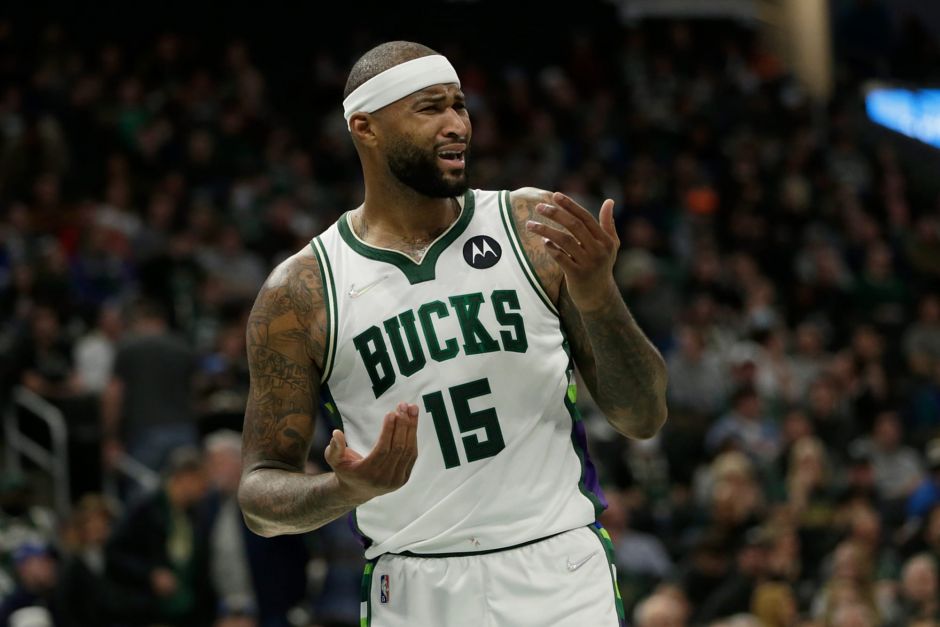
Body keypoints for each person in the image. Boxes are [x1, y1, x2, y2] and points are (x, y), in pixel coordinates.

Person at [237, 40, 668, 627]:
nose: (457, 125)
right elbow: (259, 497)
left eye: (459, 105)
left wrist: (598, 296)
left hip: (557, 568)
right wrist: (345, 490)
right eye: (430, 108)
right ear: (366, 128)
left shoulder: (533, 229)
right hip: (413, 586)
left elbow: (643, 416)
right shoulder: (302, 291)